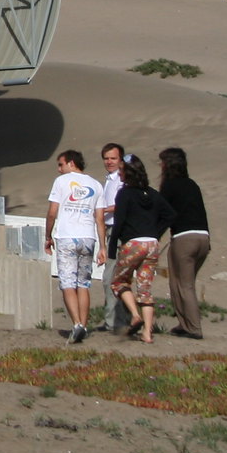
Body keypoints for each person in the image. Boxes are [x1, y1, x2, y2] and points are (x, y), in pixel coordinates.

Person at [109, 157, 176, 344]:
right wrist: (156, 232)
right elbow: (170, 214)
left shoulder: (125, 194)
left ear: (127, 172)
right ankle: (147, 333)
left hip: (133, 244)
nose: (119, 173)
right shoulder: (152, 193)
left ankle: (134, 314)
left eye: (121, 170)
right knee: (145, 288)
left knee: (119, 282)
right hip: (152, 244)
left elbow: (119, 221)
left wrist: (112, 246)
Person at [44, 150, 104, 345]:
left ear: (71, 163)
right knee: (83, 283)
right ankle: (84, 326)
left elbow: (52, 212)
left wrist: (48, 236)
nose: (59, 169)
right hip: (88, 236)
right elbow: (100, 218)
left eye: (60, 164)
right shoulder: (96, 184)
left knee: (68, 282)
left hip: (67, 236)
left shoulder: (61, 182)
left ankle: (77, 323)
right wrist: (103, 246)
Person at [158, 148, 212, 340]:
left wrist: (155, 235)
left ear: (168, 165)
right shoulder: (192, 184)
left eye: (162, 163)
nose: (161, 166)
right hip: (203, 238)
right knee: (178, 282)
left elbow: (163, 213)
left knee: (184, 285)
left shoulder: (170, 185)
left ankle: (194, 328)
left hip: (184, 238)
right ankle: (184, 323)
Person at [97, 143, 129, 333]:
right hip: (109, 229)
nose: (109, 162)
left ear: (121, 160)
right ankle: (117, 319)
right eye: (106, 158)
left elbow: (122, 205)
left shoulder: (121, 179)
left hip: (118, 230)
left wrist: (101, 210)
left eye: (113, 158)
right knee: (112, 276)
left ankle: (115, 322)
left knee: (112, 277)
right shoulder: (109, 179)